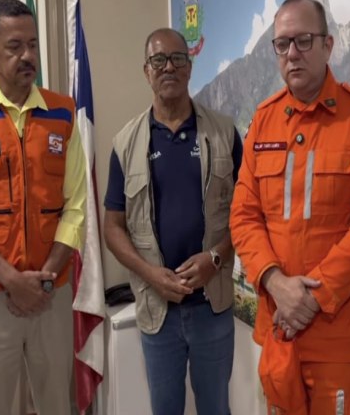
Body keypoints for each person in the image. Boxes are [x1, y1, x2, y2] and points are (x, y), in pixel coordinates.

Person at [230, 0, 350, 414]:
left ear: (328, 45)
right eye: (282, 44)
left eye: (304, 41)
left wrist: (309, 298)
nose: (292, 53)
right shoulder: (263, 121)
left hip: (339, 339)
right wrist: (273, 281)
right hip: (279, 333)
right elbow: (244, 215)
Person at [0, 0, 86, 414]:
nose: (28, 56)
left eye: (33, 45)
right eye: (14, 46)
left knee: (57, 405)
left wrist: (44, 281)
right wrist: (12, 280)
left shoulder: (62, 113)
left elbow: (76, 208)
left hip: (50, 294)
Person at [103, 27, 242, 415]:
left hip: (212, 307)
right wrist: (150, 274)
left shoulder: (224, 133)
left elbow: (249, 214)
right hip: (158, 311)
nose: (169, 67)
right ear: (146, 70)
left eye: (178, 58)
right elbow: (112, 227)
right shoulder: (125, 144)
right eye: (158, 60)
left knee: (216, 408)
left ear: (189, 66)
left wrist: (215, 258)